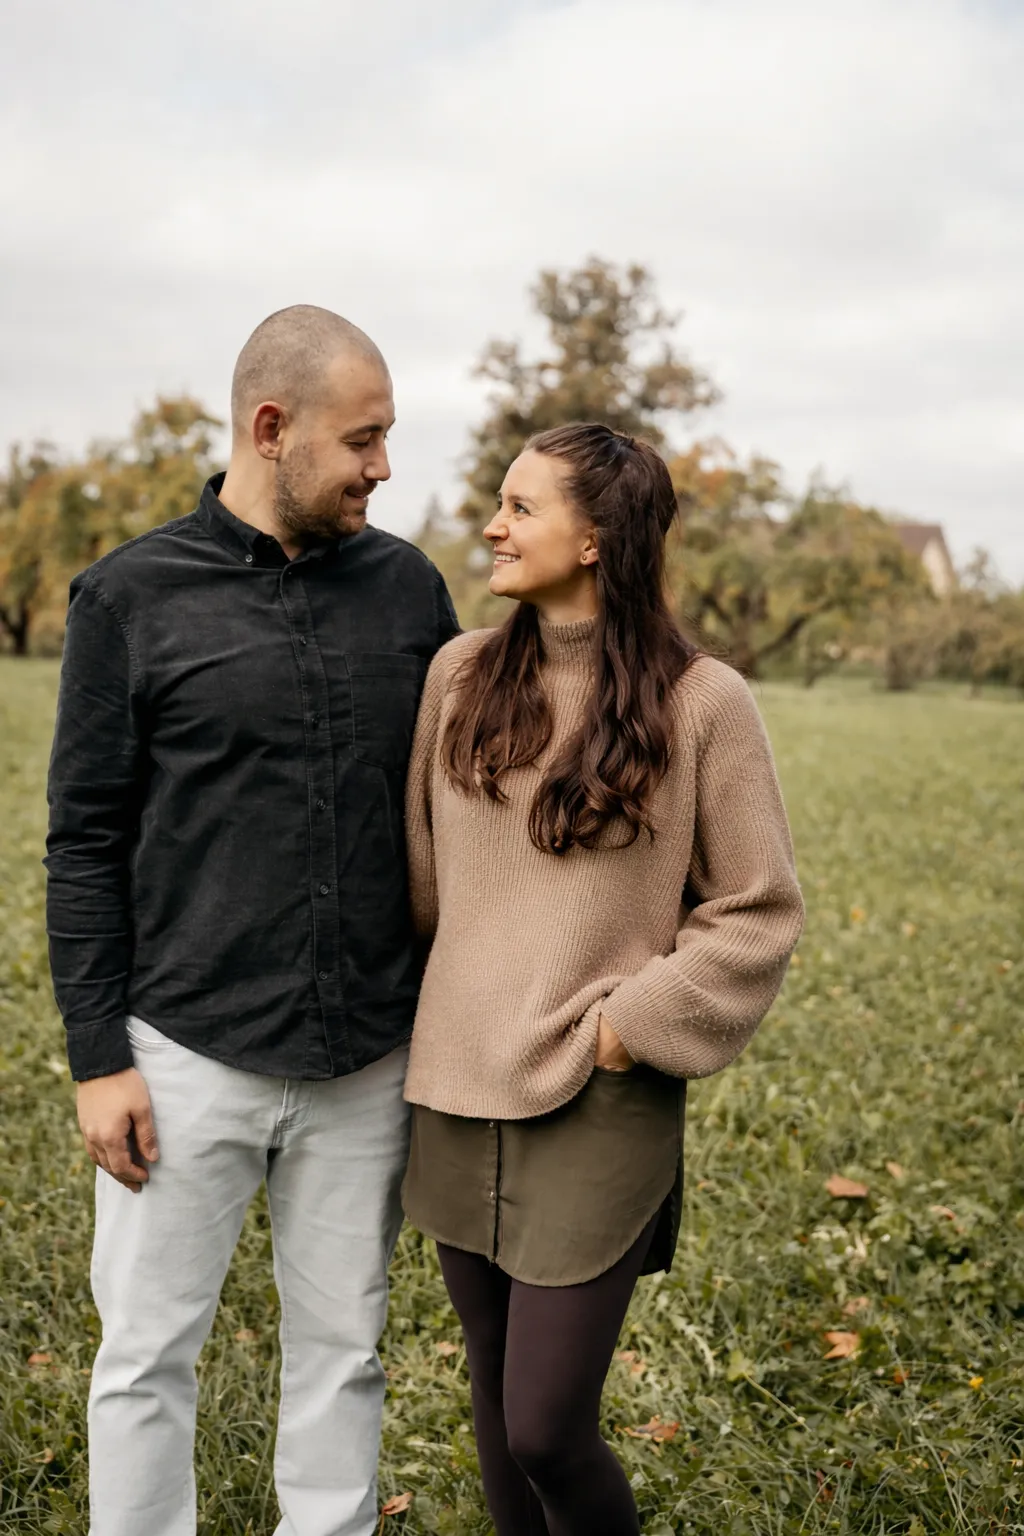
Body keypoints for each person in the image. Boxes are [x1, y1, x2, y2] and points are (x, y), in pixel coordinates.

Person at [45, 305, 459, 1536]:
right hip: (183, 1051)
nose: (383, 468)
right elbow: (84, 840)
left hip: (367, 1053)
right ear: (271, 429)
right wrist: (98, 1059)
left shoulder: (409, 590)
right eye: (363, 439)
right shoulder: (127, 597)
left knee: (344, 1350)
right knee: (143, 1358)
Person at [400, 423, 805, 1536]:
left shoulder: (703, 700)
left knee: (544, 1425)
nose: (493, 522)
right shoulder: (459, 676)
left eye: (521, 506)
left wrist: (628, 1025)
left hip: (594, 1094)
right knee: (489, 1395)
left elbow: (757, 909)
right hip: (453, 1085)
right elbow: (426, 885)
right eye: (500, 501)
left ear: (595, 538)